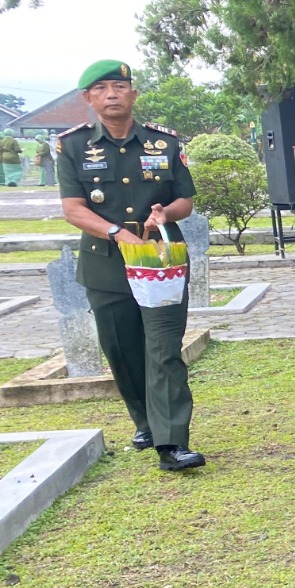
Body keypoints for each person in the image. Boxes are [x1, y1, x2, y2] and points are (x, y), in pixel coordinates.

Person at [56, 60, 205, 471]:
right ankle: (144, 421)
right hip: (106, 263)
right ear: (88, 99)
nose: (112, 94)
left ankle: (171, 441)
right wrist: (115, 232)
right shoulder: (72, 146)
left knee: (163, 349)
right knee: (122, 350)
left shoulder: (166, 144)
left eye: (120, 86)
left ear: (133, 93)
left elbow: (185, 200)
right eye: (101, 89)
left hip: (160, 260)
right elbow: (72, 209)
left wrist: (164, 214)